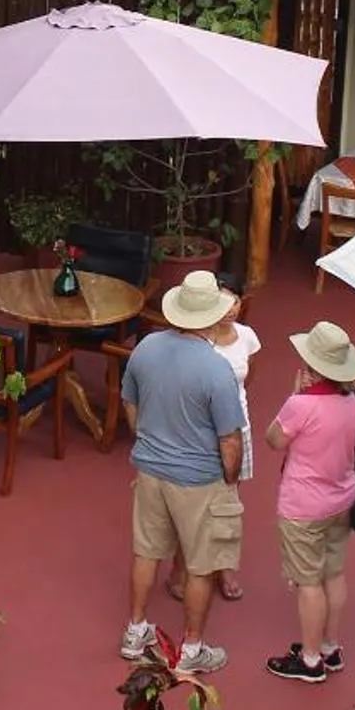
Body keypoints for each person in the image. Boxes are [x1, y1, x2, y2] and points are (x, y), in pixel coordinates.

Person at [117, 270, 247, 676]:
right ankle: (191, 648)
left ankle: (135, 630)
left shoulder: (146, 348)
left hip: (151, 469)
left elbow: (129, 404)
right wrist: (230, 477)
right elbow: (230, 438)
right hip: (199, 478)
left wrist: (147, 440)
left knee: (146, 552)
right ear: (212, 313)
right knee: (201, 565)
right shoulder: (216, 368)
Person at [262, 320, 355, 684]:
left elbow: (274, 439)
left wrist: (294, 395)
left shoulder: (301, 404)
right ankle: (328, 646)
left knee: (308, 581)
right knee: (333, 573)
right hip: (343, 497)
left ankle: (309, 661)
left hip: (304, 505)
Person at [167, 295, 259, 604]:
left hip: (236, 426)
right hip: (199, 429)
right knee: (191, 501)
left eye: (235, 301)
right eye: (224, 301)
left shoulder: (248, 337)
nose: (230, 309)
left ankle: (225, 568)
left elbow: (247, 379)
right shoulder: (197, 339)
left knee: (228, 501)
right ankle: (180, 567)